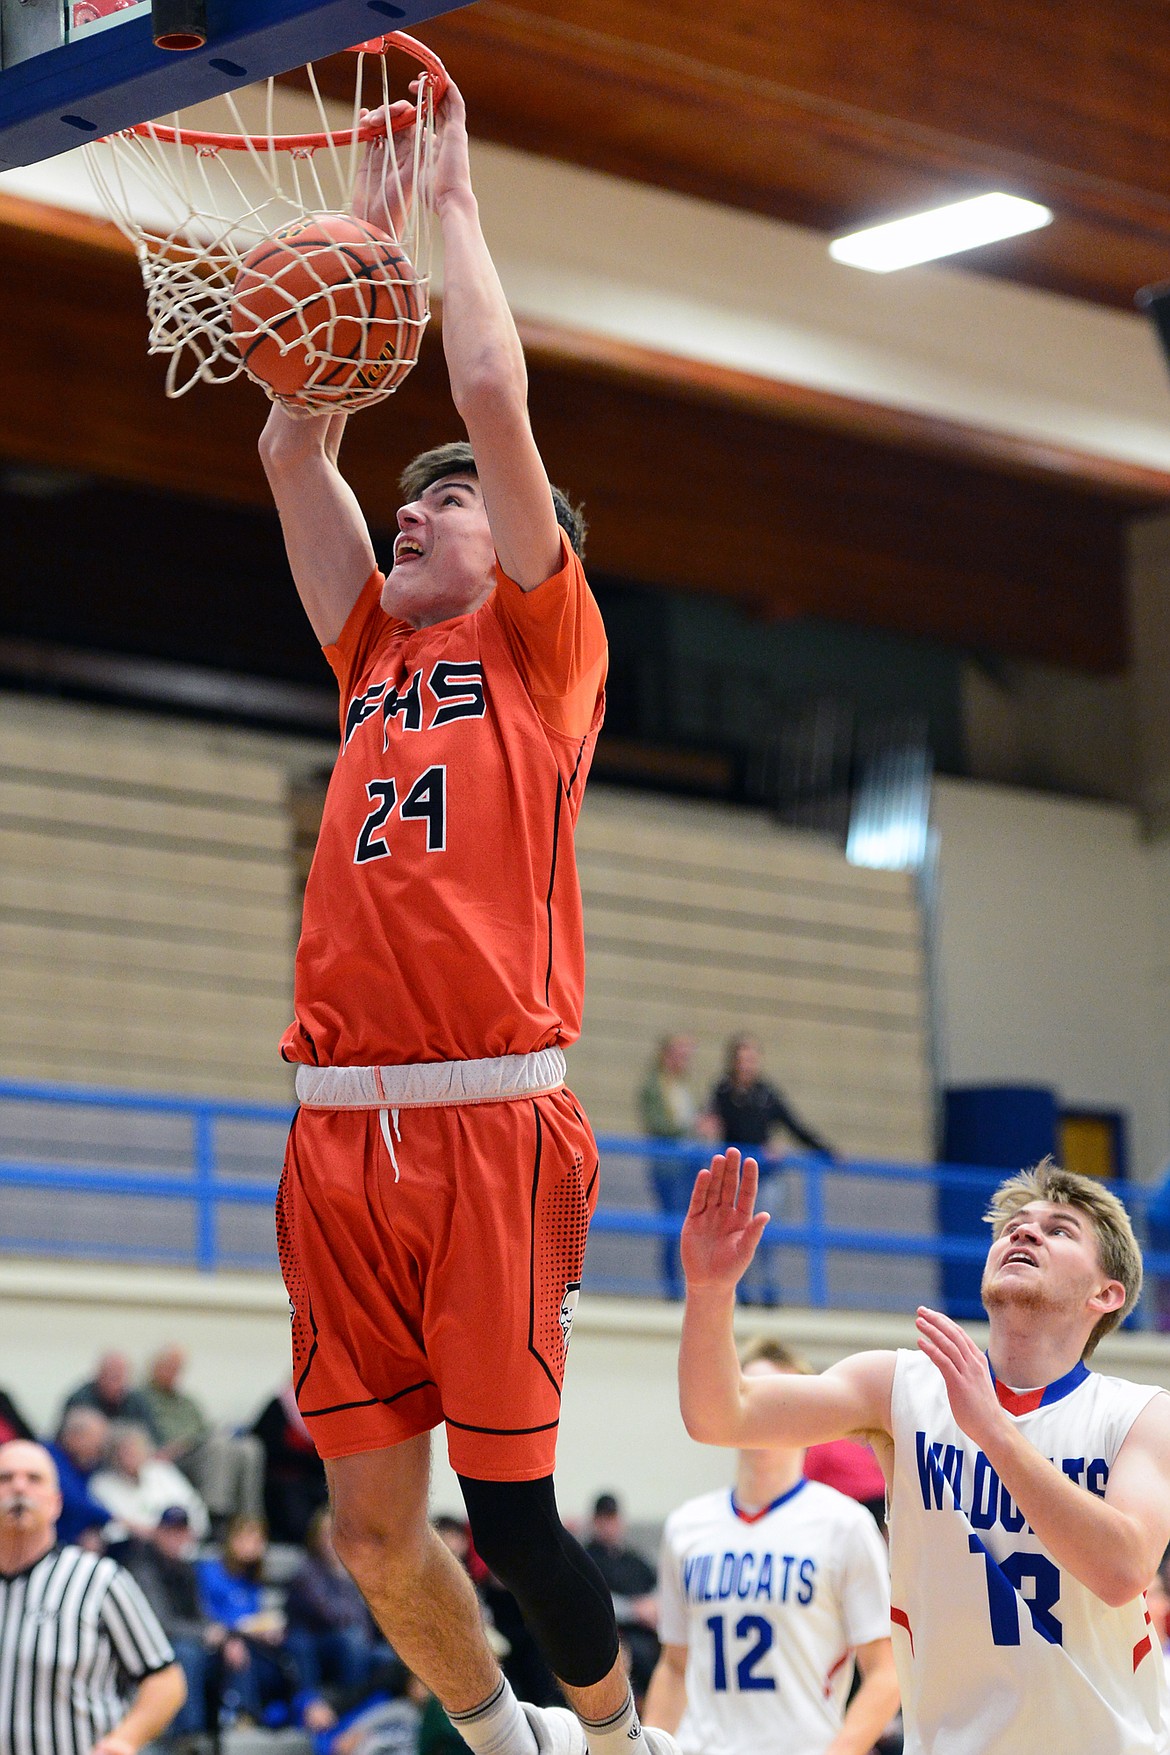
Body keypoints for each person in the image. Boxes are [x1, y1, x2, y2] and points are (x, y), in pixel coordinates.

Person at [258, 73, 675, 1755]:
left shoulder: (543, 658)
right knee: (366, 1534)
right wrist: (356, 233)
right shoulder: (369, 649)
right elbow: (292, 434)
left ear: (522, 551)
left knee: (512, 1517)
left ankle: (622, 1745)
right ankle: (501, 1743)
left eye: (453, 499)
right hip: (332, 1132)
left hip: (490, 1127)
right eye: (414, 494)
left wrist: (455, 216)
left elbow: (492, 395)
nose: (424, 503)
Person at [678, 1149, 1170, 1753]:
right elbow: (719, 1414)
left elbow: (1123, 1570)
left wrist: (993, 1431)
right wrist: (707, 1290)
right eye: (1016, 1226)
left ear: (1107, 1294)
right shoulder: (901, 1387)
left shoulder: (1140, 1415)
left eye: (1058, 1230)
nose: (1024, 1232)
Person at [644, 1336, 898, 1755]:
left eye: (780, 1400)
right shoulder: (685, 1527)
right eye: (751, 1396)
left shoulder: (844, 1525)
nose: (764, 1413)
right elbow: (675, 1666)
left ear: (810, 1417)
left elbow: (886, 1674)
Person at [0, 1439, 186, 1755]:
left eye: (34, 1479)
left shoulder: (99, 1581)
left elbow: (166, 1681)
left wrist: (126, 1739)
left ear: (56, 1503)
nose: (19, 1487)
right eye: (5, 1478)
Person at [706, 1037, 833, 1305]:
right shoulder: (723, 1092)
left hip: (766, 1176)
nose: (747, 1065)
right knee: (735, 1234)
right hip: (735, 1177)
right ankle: (740, 1291)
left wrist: (826, 1150)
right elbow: (709, 1122)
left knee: (764, 1233)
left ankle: (769, 1290)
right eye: (742, 1059)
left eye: (752, 1059)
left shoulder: (766, 1094)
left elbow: (794, 1125)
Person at [141, 1345, 265, 1527]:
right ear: (154, 1367)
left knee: (249, 1447)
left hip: (196, 1448)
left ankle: (250, 1518)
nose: (173, 1373)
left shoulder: (186, 1401)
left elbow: (205, 1429)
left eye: (177, 1368)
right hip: (170, 1457)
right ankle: (216, 1515)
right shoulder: (141, 1398)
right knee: (218, 1447)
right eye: (168, 1367)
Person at [121, 1506, 214, 1738]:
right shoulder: (143, 1567)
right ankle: (186, 1734)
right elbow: (160, 1623)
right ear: (158, 1533)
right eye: (170, 1532)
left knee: (230, 1651)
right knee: (187, 1653)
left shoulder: (187, 1569)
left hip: (184, 1639)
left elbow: (200, 1614)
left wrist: (220, 1634)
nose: (176, 1538)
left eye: (181, 1532)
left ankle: (234, 1720)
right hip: (147, 1644)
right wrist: (204, 1634)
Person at [196, 1514, 291, 1725]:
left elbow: (255, 1618)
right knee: (238, 1649)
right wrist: (234, 1632)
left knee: (288, 1651)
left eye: (258, 1541)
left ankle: (277, 1715)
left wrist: (266, 1630)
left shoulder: (252, 1578)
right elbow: (204, 1615)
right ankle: (239, 1716)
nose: (252, 1546)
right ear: (232, 1540)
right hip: (214, 1643)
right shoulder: (209, 1570)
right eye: (247, 1539)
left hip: (250, 1642)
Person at [638, 1036, 707, 1300]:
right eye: (679, 1055)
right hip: (668, 1167)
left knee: (689, 1228)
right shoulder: (654, 1087)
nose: (684, 1060)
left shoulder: (685, 1085)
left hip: (689, 1164)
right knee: (673, 1227)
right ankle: (672, 1289)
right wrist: (692, 1127)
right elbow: (658, 1125)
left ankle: (689, 1286)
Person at [286, 1509, 377, 1699]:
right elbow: (330, 1613)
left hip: (352, 1638)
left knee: (391, 1658)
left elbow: (371, 1615)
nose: (336, 1540)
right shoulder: (307, 1571)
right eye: (329, 1534)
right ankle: (348, 1703)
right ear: (316, 1538)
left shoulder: (355, 1568)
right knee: (353, 1639)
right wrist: (342, 1575)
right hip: (315, 1641)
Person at [583, 1496, 658, 1703]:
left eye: (613, 1518)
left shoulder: (633, 1558)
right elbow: (592, 1600)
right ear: (595, 1522)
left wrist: (653, 1607)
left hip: (648, 1631)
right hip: (615, 1633)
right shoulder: (586, 1558)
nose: (609, 1525)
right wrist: (634, 1610)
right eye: (604, 1519)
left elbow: (657, 1585)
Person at [90, 1421, 210, 1541]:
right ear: (113, 1455)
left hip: (185, 1545)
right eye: (126, 1451)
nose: (133, 1454)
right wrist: (160, 1536)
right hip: (134, 1550)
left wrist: (183, 1534)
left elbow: (194, 1507)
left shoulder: (162, 1470)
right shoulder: (101, 1485)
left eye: (136, 1448)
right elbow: (115, 1527)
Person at [252, 1382, 329, 1544]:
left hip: (315, 1478)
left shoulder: (326, 1409)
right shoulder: (279, 1406)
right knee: (293, 1501)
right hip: (282, 1478)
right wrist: (305, 1458)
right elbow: (265, 1444)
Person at [47, 1406, 114, 1546]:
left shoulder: (82, 1464)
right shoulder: (47, 1456)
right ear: (75, 1437)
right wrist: (115, 1518)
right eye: (97, 1441)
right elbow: (74, 1501)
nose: (101, 1449)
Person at [63, 1353, 159, 1438]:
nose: (115, 1382)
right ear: (99, 1374)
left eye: (119, 1376)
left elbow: (152, 1436)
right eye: (111, 1374)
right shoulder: (80, 1400)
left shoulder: (136, 1401)